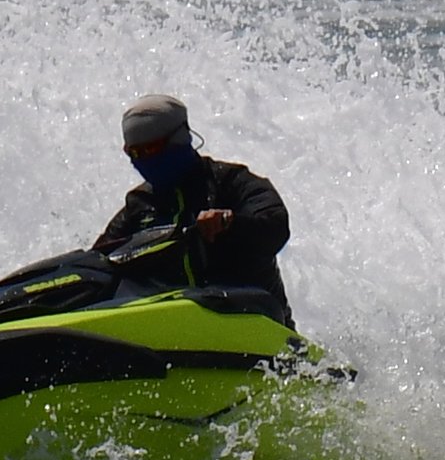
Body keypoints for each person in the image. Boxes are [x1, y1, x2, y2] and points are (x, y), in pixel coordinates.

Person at [93, 94, 295, 329]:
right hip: (180, 336)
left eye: (151, 148)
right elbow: (98, 262)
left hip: (257, 328)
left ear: (180, 138)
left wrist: (229, 222)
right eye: (134, 153)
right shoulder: (139, 205)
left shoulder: (231, 182)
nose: (144, 159)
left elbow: (276, 226)